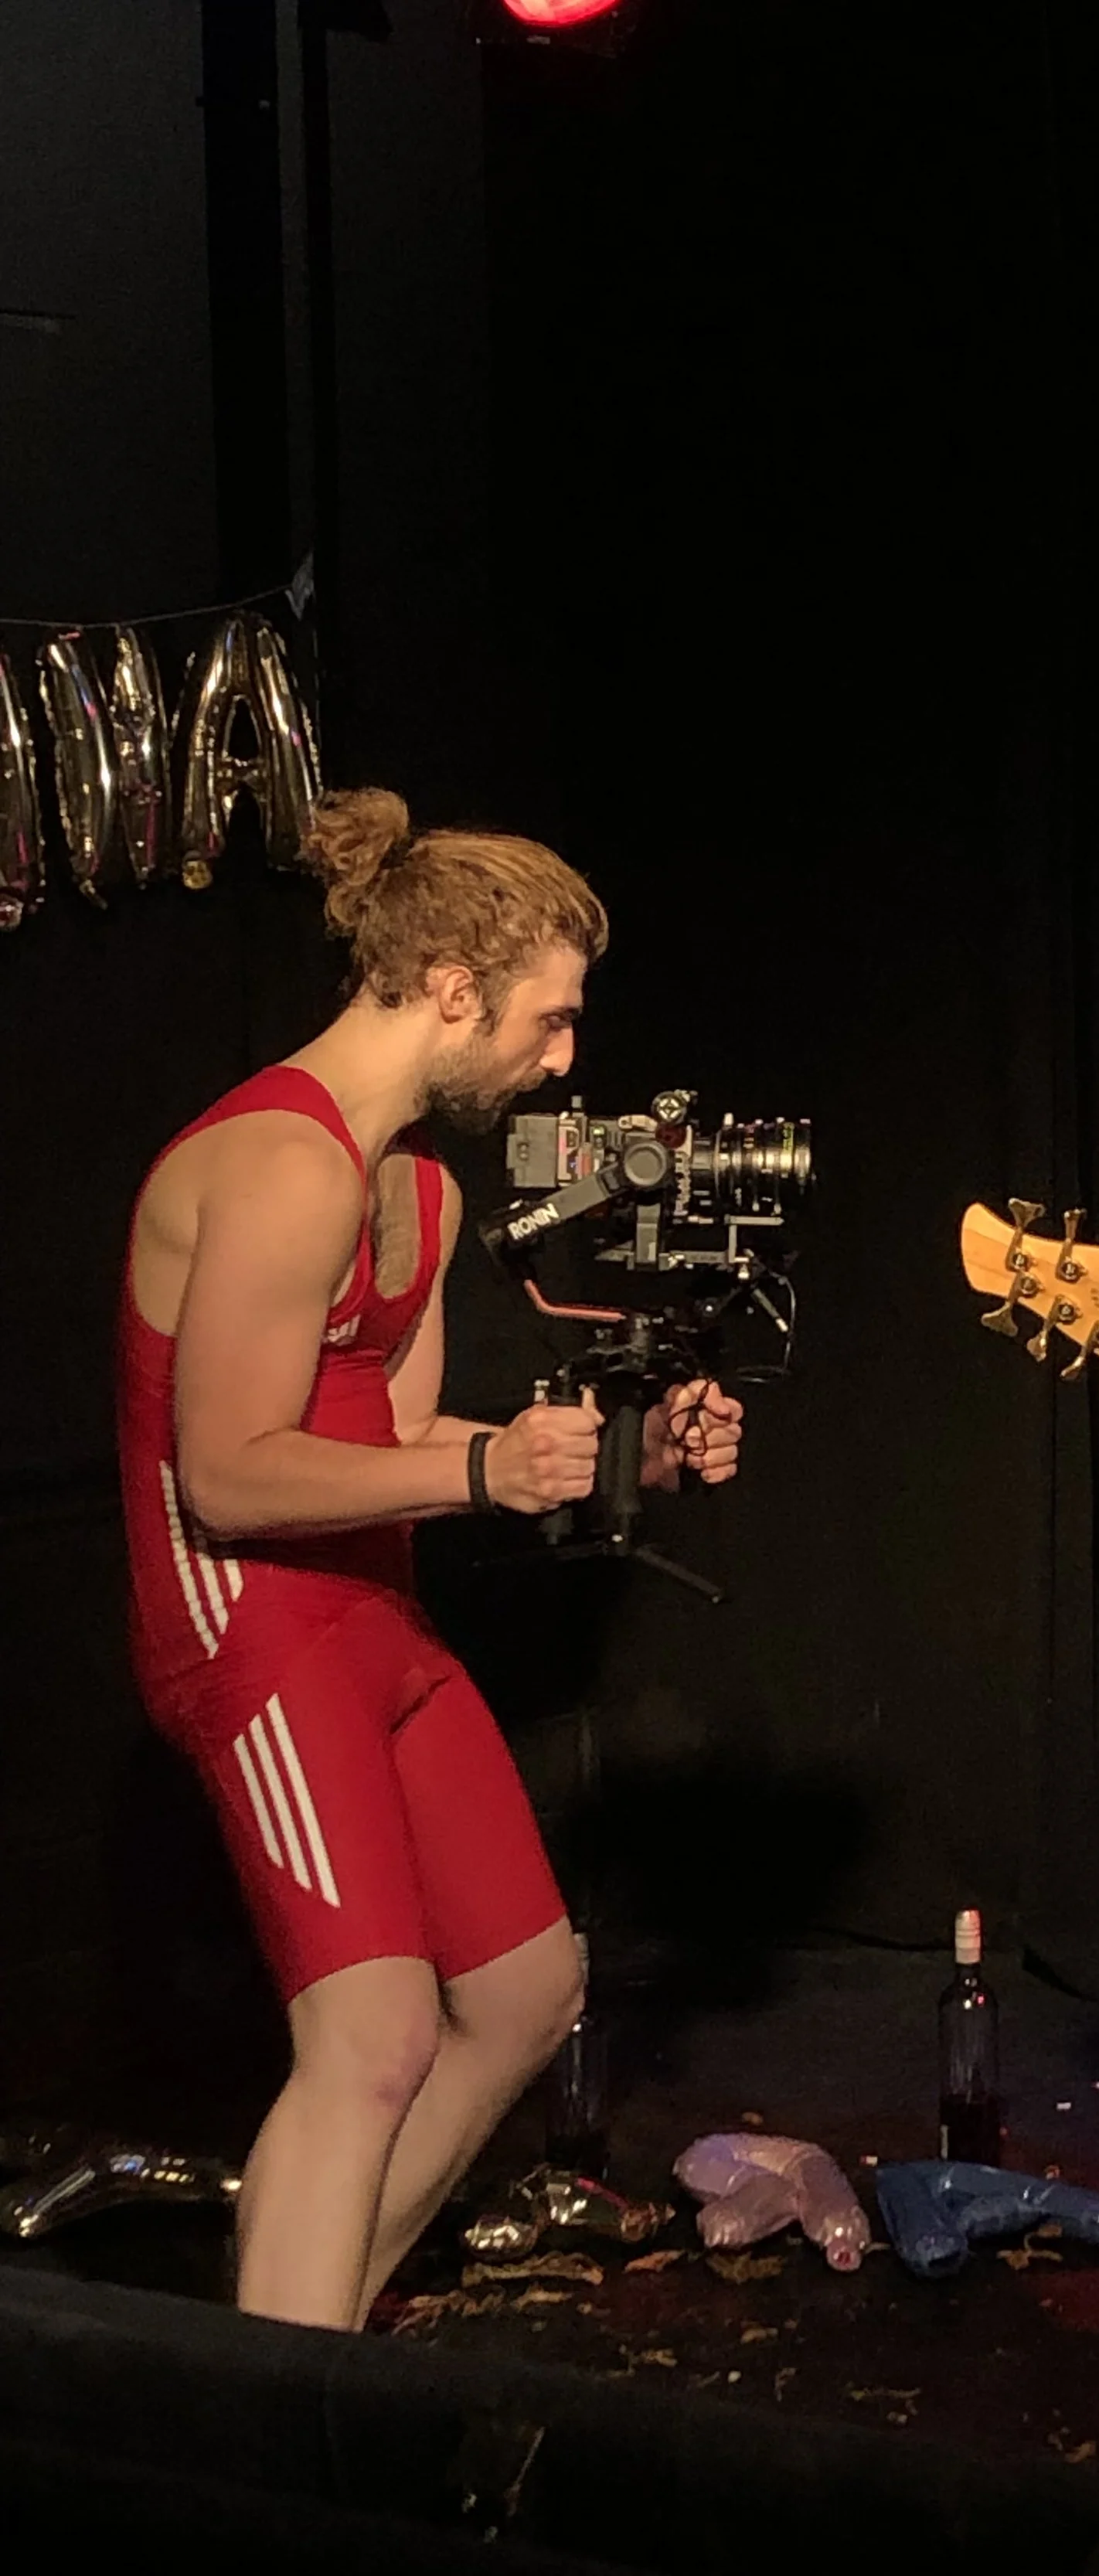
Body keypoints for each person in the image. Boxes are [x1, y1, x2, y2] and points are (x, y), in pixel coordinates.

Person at [116, 788, 744, 2333]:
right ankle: (261, 2426)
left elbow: (391, 1429)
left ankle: (299, 2329)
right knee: (375, 2032)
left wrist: (619, 1455)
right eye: (548, 1017)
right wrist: (480, 1465)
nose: (562, 1056)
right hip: (249, 1627)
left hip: (372, 1613)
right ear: (453, 987)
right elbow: (234, 1472)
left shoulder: (419, 1183)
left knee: (527, 1992)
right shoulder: (281, 1159)